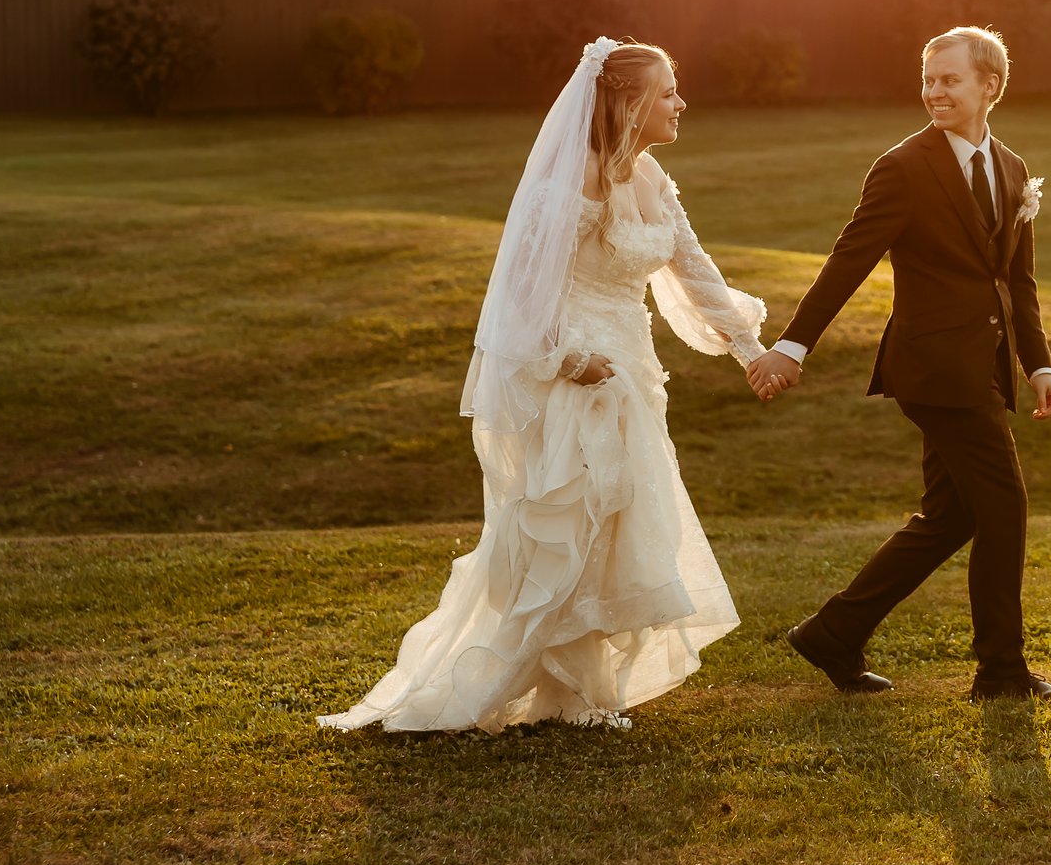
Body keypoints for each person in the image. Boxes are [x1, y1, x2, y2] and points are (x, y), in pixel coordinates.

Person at [320, 38, 766, 733]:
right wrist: (566, 359)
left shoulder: (652, 179)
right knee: (571, 519)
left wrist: (750, 349)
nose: (682, 102)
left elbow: (695, 270)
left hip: (635, 371)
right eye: (669, 91)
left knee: (616, 523)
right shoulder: (570, 181)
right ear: (628, 102)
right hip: (577, 372)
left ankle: (579, 690)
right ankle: (537, 684)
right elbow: (524, 297)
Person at [743, 26, 1051, 701]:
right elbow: (849, 259)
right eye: (928, 79)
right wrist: (790, 345)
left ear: (989, 86)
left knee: (951, 516)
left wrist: (1036, 364)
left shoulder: (1012, 168)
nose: (934, 90)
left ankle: (834, 631)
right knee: (1005, 506)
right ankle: (1002, 672)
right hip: (930, 368)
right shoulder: (903, 165)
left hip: (982, 367)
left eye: (949, 79)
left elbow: (1019, 282)